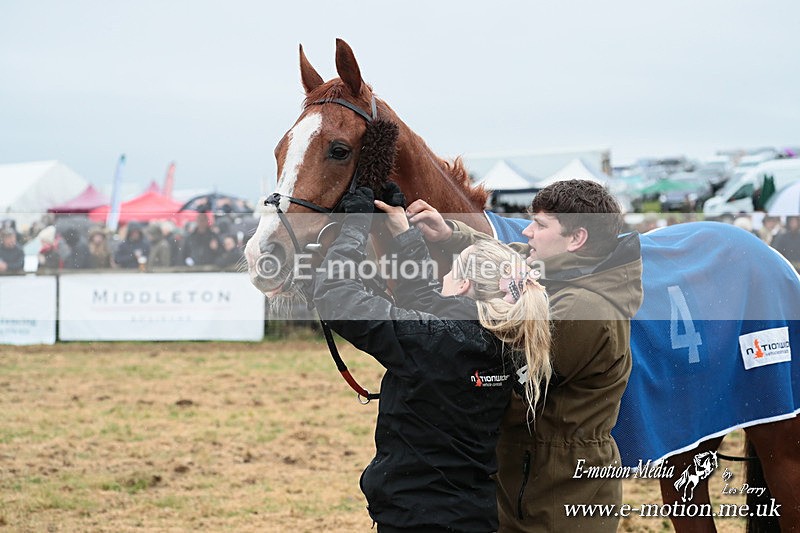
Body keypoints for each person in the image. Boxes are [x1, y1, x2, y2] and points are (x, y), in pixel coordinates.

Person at [312, 184, 552, 533]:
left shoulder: (438, 341)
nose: (444, 276)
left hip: (415, 516)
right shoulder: (509, 339)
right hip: (471, 512)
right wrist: (404, 235)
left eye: (452, 272)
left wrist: (353, 229)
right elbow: (426, 301)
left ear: (465, 285)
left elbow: (337, 297)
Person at [407, 179, 643, 532]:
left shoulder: (581, 308)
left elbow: (509, 373)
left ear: (576, 239)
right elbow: (509, 253)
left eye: (541, 225)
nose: (528, 232)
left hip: (559, 492)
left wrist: (455, 305)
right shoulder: (564, 274)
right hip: (538, 477)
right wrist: (450, 234)